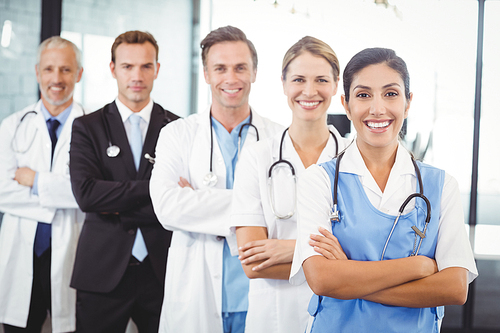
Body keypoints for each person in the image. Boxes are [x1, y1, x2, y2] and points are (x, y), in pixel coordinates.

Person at [290, 47, 478, 333]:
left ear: (407, 102)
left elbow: (454, 287)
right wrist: (417, 268)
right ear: (347, 103)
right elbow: (322, 279)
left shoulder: (440, 186)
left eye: (390, 94)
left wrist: (350, 277)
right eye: (364, 95)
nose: (377, 109)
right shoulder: (319, 181)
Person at [150, 26, 283, 333]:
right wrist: (258, 205)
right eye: (220, 68)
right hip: (196, 291)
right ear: (207, 74)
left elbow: (291, 214)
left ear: (254, 72)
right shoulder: (177, 134)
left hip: (259, 294)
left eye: (240, 68)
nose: (231, 78)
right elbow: (167, 207)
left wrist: (197, 199)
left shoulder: (280, 139)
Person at [230, 36, 349, 333]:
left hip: (340, 313)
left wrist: (288, 249)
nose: (309, 91)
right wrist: (334, 263)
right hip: (273, 318)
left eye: (321, 79)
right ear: (283, 83)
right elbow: (253, 263)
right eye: (298, 79)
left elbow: (367, 258)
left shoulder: (354, 159)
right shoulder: (257, 157)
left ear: (336, 85)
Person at [69, 30, 179, 333]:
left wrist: (116, 202)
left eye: (146, 66)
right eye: (127, 66)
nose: (137, 75)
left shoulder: (178, 128)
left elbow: (182, 201)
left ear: (157, 69)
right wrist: (157, 189)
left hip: (162, 271)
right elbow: (87, 195)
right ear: (113, 69)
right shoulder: (87, 127)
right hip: (102, 271)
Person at [0, 36, 85, 332]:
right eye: (49, 69)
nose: (56, 79)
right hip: (22, 253)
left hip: (72, 253)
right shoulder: (12, 126)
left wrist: (35, 181)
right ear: (37, 72)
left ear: (79, 74)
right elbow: (2, 193)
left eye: (65, 69)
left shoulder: (94, 128)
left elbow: (89, 192)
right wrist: (63, 193)